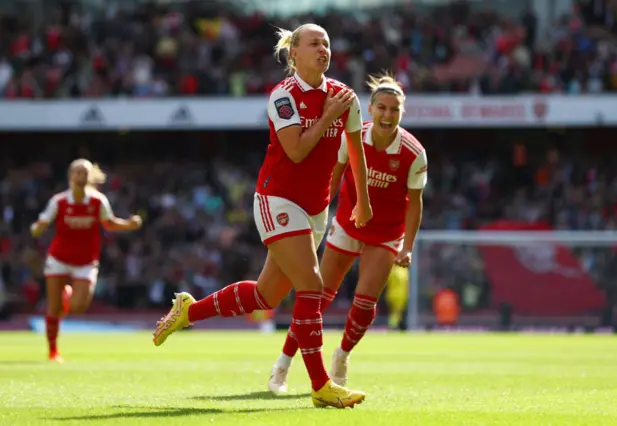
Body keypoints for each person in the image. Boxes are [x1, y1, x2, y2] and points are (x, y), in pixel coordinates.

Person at [152, 23, 372, 409]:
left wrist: (363, 201)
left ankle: (189, 311)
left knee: (266, 295)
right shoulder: (283, 96)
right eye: (314, 43)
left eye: (327, 43)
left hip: (316, 207)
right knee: (311, 284)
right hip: (277, 200)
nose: (323, 49)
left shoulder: (345, 97)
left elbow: (356, 153)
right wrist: (326, 117)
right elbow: (298, 150)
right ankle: (321, 386)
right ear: (295, 55)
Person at [268, 73, 427, 393]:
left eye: (394, 109)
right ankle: (282, 365)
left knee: (365, 303)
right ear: (370, 109)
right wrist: (320, 217)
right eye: (381, 108)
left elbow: (415, 204)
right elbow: (333, 176)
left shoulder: (414, 153)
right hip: (347, 223)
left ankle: (342, 354)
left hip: (386, 233)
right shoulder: (352, 137)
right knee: (315, 298)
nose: (387, 115)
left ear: (402, 113)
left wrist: (407, 247)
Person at [31, 159, 143, 363]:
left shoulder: (98, 201)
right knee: (53, 308)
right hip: (59, 259)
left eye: (85, 173)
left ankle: (68, 296)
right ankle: (53, 351)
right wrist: (37, 228)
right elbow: (42, 222)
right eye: (77, 172)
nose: (81, 176)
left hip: (85, 261)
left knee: (79, 306)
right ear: (70, 176)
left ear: (90, 177)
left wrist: (128, 225)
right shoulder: (59, 201)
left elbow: (109, 223)